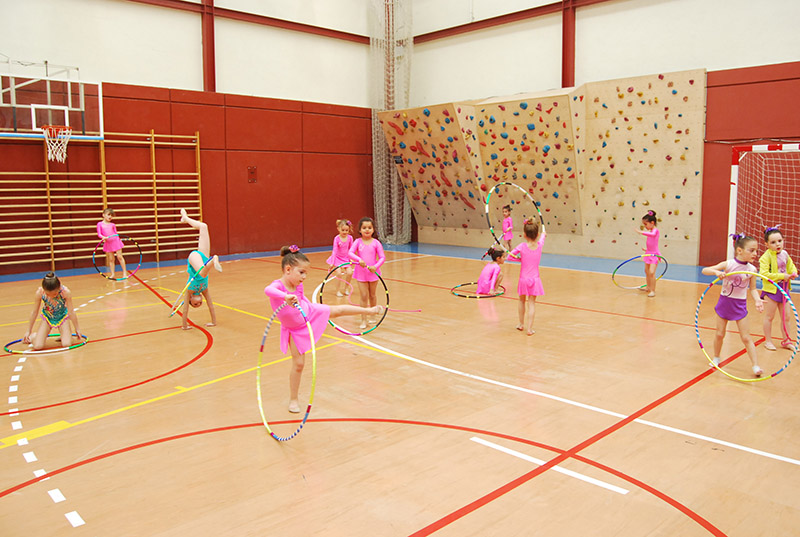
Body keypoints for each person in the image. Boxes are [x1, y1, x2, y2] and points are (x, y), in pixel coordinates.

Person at [265, 245, 384, 413]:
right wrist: (285, 296)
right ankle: (293, 399)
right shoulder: (278, 285)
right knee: (298, 364)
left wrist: (310, 308)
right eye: (302, 272)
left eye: (306, 273)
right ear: (288, 269)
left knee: (338, 310)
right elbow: (268, 290)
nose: (304, 277)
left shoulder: (297, 284)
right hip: (294, 329)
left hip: (308, 314)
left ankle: (369, 311)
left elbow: (302, 299)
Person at [701, 233, 765, 377]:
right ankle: (716, 357)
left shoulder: (752, 269)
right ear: (739, 250)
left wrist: (757, 300)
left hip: (740, 305)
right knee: (719, 334)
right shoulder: (728, 264)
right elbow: (705, 270)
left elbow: (753, 289)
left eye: (756, 250)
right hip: (725, 303)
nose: (755, 253)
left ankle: (755, 365)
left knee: (746, 337)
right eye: (752, 250)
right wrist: (716, 272)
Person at [179, 208, 222, 330]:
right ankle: (185, 218)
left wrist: (184, 326)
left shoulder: (189, 291)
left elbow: (185, 310)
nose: (199, 302)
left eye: (195, 303)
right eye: (200, 303)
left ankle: (214, 260)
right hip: (204, 259)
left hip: (194, 259)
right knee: (203, 226)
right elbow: (211, 305)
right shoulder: (204, 289)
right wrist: (213, 322)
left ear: (190, 299)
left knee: (202, 273)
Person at [759, 225, 797, 351]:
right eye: (773, 242)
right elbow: (764, 274)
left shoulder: (785, 254)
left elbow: (791, 265)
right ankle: (768, 341)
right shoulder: (765, 258)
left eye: (780, 241)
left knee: (786, 317)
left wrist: (793, 273)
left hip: (784, 288)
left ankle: (786, 340)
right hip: (772, 290)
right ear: (766, 244)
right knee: (769, 316)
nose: (778, 244)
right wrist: (782, 276)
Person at [22, 272, 82, 350]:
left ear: (59, 288)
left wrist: (77, 328)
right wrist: (28, 331)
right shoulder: (40, 292)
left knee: (66, 344)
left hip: (62, 317)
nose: (52, 296)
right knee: (38, 346)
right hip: (47, 317)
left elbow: (71, 312)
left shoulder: (65, 292)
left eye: (55, 294)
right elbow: (34, 312)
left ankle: (65, 334)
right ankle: (34, 336)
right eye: (48, 294)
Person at [509, 218, 546, 335]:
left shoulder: (522, 246)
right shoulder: (540, 245)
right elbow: (543, 238)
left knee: (521, 301)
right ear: (537, 234)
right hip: (535, 279)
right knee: (532, 303)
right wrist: (543, 234)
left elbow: (509, 257)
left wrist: (520, 259)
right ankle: (529, 329)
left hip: (523, 279)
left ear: (524, 234)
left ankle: (521, 324)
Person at [348, 217, 385, 329]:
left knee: (372, 295)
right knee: (364, 296)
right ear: (360, 230)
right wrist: (359, 259)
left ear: (373, 229)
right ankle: (363, 319)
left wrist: (375, 266)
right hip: (361, 273)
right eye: (364, 228)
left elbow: (382, 257)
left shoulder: (376, 243)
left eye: (369, 228)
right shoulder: (357, 242)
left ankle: (372, 315)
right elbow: (350, 253)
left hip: (373, 273)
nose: (367, 230)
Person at [326, 219, 354, 297]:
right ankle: (337, 290)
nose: (345, 232)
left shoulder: (350, 238)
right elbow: (334, 250)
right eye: (343, 230)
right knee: (338, 273)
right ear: (338, 229)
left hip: (346, 258)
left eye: (346, 230)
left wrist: (351, 258)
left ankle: (346, 288)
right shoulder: (337, 238)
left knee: (350, 272)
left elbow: (351, 249)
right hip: (337, 258)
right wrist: (332, 263)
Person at [96, 208, 127, 279]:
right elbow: (99, 234)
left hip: (116, 241)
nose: (110, 217)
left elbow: (116, 233)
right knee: (111, 259)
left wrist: (118, 238)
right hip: (108, 243)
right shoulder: (99, 224)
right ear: (103, 215)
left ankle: (124, 272)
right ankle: (113, 274)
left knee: (119, 257)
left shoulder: (113, 224)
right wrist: (103, 237)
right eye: (109, 215)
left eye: (112, 215)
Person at [635, 210, 660, 297]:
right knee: (647, 271)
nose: (645, 226)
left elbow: (652, 235)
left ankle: (653, 290)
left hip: (654, 255)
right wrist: (646, 249)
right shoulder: (650, 231)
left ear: (652, 223)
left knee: (652, 272)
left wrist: (640, 232)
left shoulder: (655, 231)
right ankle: (648, 287)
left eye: (646, 224)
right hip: (648, 253)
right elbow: (651, 243)